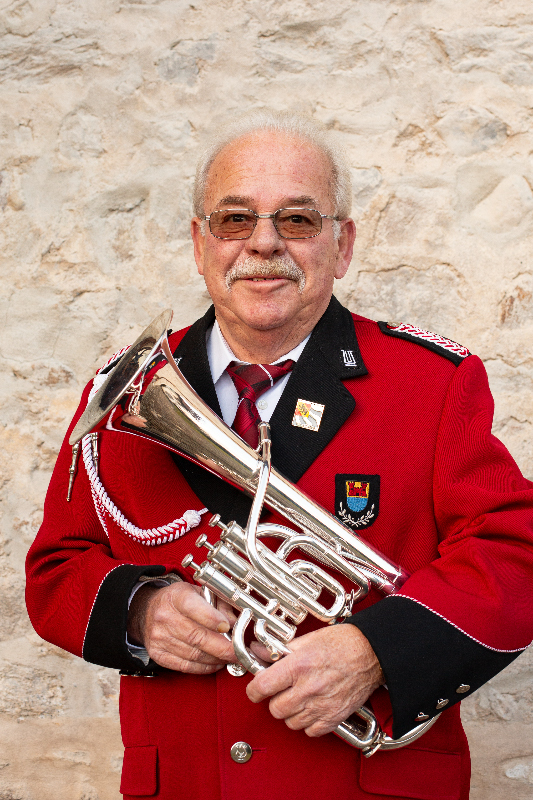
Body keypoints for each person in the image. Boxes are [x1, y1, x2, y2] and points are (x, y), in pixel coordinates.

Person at [26, 111, 533, 800]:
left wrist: (376, 650)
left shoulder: (430, 383)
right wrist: (138, 610)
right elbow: (56, 568)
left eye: (296, 220)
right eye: (235, 219)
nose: (263, 243)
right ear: (200, 242)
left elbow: (514, 553)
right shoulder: (124, 391)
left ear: (341, 245)